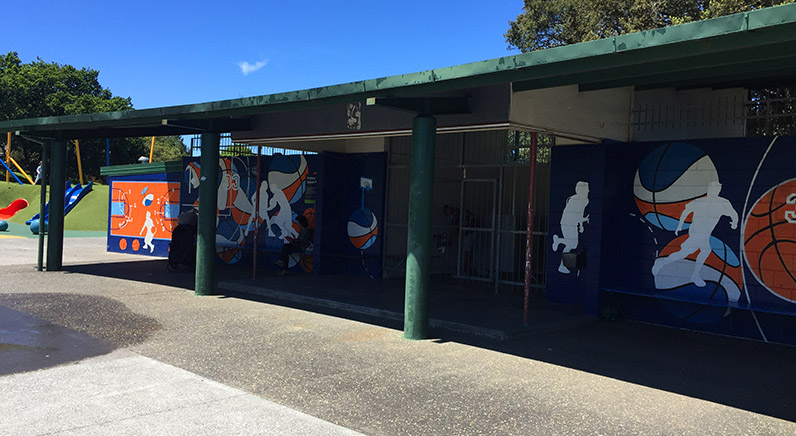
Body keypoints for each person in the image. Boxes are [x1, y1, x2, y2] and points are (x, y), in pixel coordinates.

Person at [652, 181, 738, 293]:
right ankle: (671, 266)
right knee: (700, 251)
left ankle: (671, 266)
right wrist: (679, 225)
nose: (715, 190)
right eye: (713, 188)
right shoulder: (699, 201)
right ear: (709, 189)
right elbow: (686, 212)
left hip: (706, 234)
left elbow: (733, 213)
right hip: (696, 232)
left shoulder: (722, 203)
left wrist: (734, 223)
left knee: (692, 252)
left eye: (717, 188)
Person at [552, 181, 590, 274]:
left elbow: (580, 213)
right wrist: (583, 221)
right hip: (569, 223)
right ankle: (558, 241)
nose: (589, 190)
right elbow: (576, 215)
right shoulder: (579, 200)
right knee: (573, 244)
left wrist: (581, 225)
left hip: (568, 223)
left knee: (570, 245)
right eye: (587, 189)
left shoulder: (581, 199)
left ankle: (562, 266)